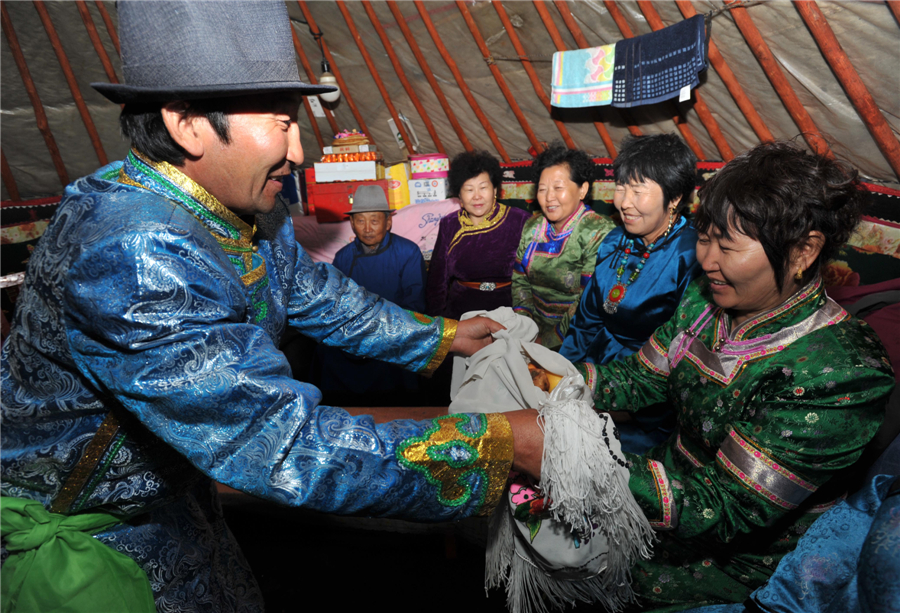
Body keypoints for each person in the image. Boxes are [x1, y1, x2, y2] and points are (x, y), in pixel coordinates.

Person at [0, 3, 543, 611]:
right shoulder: (133, 248)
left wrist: (441, 336)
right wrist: (497, 445)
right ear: (188, 125)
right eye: (282, 123)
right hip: (92, 537)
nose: (300, 149)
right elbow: (280, 441)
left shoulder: (242, 202)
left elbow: (314, 294)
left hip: (176, 495)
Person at [570, 141, 895, 611]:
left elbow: (727, 509)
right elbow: (642, 380)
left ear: (804, 250)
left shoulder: (844, 371)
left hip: (744, 557)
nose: (707, 260)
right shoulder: (705, 300)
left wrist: (583, 463)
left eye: (728, 245)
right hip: (663, 483)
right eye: (705, 237)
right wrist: (561, 379)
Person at [559, 134, 702, 453]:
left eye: (638, 191)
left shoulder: (691, 255)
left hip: (651, 399)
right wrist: (561, 377)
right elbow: (585, 322)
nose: (624, 201)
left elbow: (685, 355)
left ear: (675, 196)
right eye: (621, 187)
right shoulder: (613, 242)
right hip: (592, 371)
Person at [316, 185, 425, 402]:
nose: (367, 228)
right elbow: (336, 304)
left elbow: (415, 305)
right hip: (354, 335)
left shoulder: (408, 252)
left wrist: (381, 330)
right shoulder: (343, 257)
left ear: (388, 222)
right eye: (360, 221)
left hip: (393, 331)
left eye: (374, 221)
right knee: (323, 352)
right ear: (352, 223)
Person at [512, 145, 615, 348]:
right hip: (531, 331)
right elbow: (520, 281)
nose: (549, 197)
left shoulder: (599, 232)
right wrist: (524, 327)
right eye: (542, 189)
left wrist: (549, 341)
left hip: (579, 337)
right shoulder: (533, 226)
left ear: (582, 189)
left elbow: (588, 299)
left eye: (558, 188)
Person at [425, 151, 530, 319]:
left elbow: (536, 276)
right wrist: (439, 324)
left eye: (483, 188)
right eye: (469, 189)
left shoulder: (520, 220)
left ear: (495, 190)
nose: (477, 196)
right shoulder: (449, 224)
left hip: (511, 309)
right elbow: (437, 281)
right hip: (461, 311)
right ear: (459, 195)